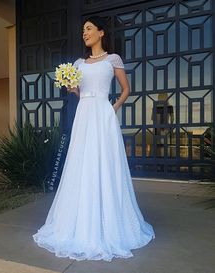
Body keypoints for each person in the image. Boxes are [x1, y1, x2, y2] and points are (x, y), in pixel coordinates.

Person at [33, 15, 155, 262]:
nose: (84, 33)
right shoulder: (79, 63)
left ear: (101, 32)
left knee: (105, 162)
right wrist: (72, 88)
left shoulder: (113, 59)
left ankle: (109, 220)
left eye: (88, 29)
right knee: (81, 162)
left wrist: (113, 108)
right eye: (82, 30)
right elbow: (81, 92)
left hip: (103, 113)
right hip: (84, 113)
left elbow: (126, 89)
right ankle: (79, 219)